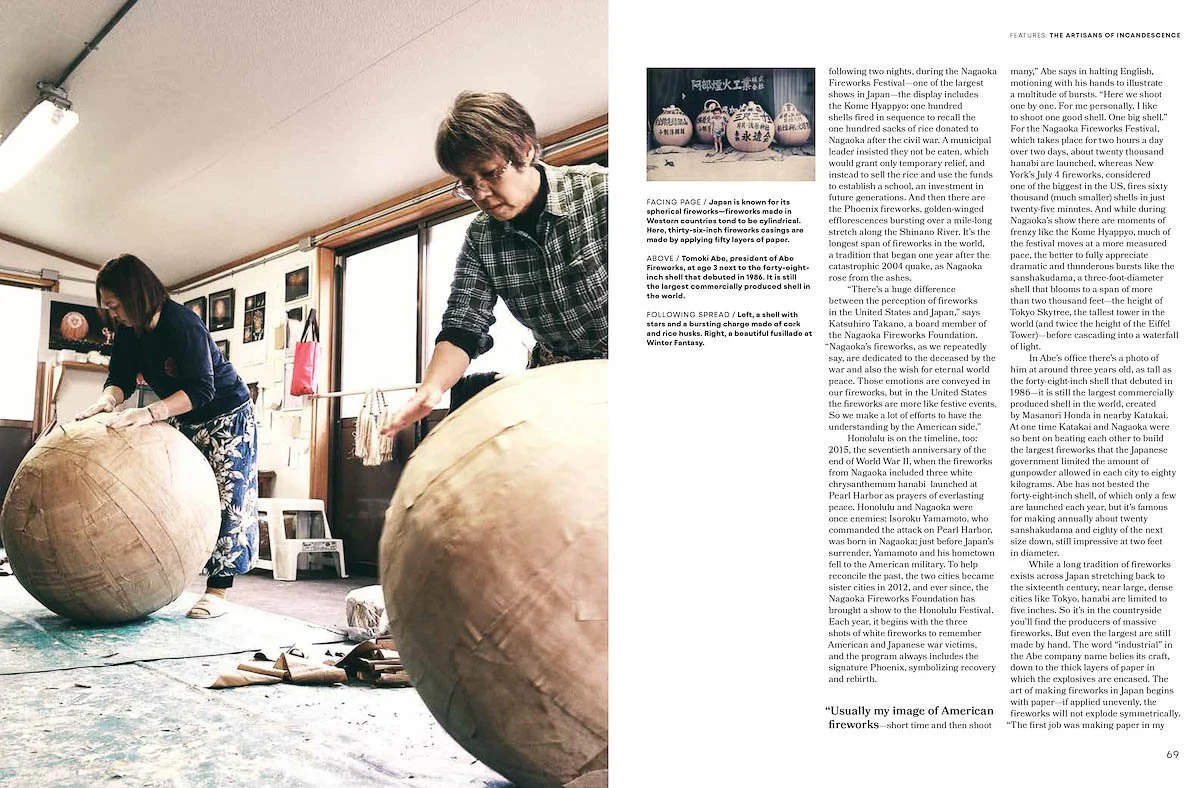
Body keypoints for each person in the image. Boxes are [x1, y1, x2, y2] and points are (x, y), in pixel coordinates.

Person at [381, 91, 608, 437]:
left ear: (526, 150)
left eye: (490, 173)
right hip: (557, 381)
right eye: (468, 184)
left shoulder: (602, 194)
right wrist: (432, 388)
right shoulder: (481, 238)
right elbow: (463, 325)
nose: (481, 194)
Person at [74, 254, 257, 620]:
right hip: (185, 415)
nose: (114, 314)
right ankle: (172, 573)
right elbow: (120, 377)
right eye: (108, 307)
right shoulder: (130, 331)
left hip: (227, 413)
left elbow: (202, 388)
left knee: (228, 497)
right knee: (177, 493)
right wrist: (107, 401)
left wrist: (149, 414)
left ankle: (218, 590)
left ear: (136, 295)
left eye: (116, 305)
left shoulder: (182, 323)